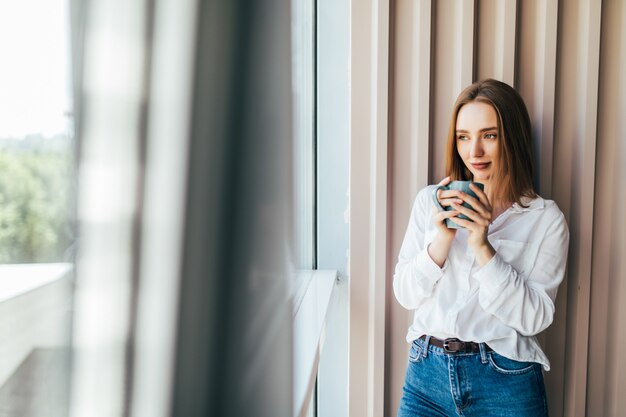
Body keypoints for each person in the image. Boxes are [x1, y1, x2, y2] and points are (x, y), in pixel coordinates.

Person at [393, 79, 569, 417]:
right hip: (425, 379)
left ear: (512, 138)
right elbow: (405, 293)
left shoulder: (544, 218)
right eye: (463, 137)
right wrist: (441, 239)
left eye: (489, 135)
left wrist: (481, 245)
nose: (474, 151)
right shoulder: (430, 202)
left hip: (505, 383)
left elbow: (535, 318)